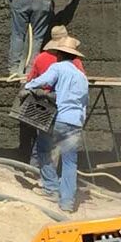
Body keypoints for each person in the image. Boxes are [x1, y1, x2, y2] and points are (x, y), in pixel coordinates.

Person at [24, 37, 88, 214]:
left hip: (58, 118)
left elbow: (41, 81)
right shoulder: (81, 76)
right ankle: (67, 203)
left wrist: (27, 86)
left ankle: (51, 188)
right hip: (75, 122)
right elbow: (84, 104)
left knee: (43, 149)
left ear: (59, 54)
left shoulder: (57, 68)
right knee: (70, 162)